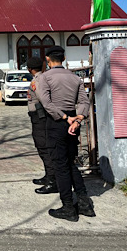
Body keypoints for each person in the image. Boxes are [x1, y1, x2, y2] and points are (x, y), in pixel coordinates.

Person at [36, 46, 95, 222]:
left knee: (60, 166)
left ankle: (68, 207)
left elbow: (46, 103)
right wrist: (77, 119)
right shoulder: (75, 78)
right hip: (72, 125)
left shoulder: (45, 78)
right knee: (70, 163)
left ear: (47, 59)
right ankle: (84, 203)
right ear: (64, 58)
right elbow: (84, 101)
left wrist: (64, 117)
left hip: (56, 123)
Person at [26, 56, 57, 195]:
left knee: (44, 147)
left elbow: (43, 99)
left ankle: (52, 181)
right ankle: (48, 176)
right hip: (39, 117)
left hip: (41, 118)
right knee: (42, 147)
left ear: (29, 69)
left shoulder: (37, 81)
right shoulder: (42, 78)